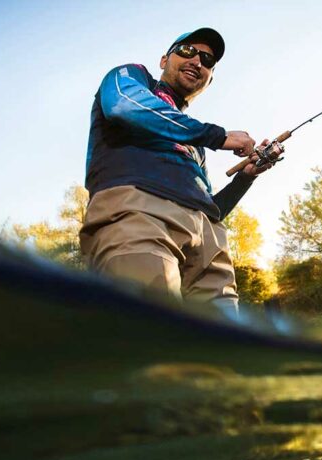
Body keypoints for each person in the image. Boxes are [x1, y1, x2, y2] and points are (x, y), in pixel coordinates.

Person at [79, 27, 274, 314]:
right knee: (149, 328)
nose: (197, 61)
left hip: (209, 242)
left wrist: (245, 178)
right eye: (186, 51)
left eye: (207, 60)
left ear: (209, 80)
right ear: (163, 60)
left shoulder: (196, 143)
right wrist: (218, 136)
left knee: (222, 346)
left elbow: (211, 208)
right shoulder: (133, 77)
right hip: (139, 212)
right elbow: (123, 105)